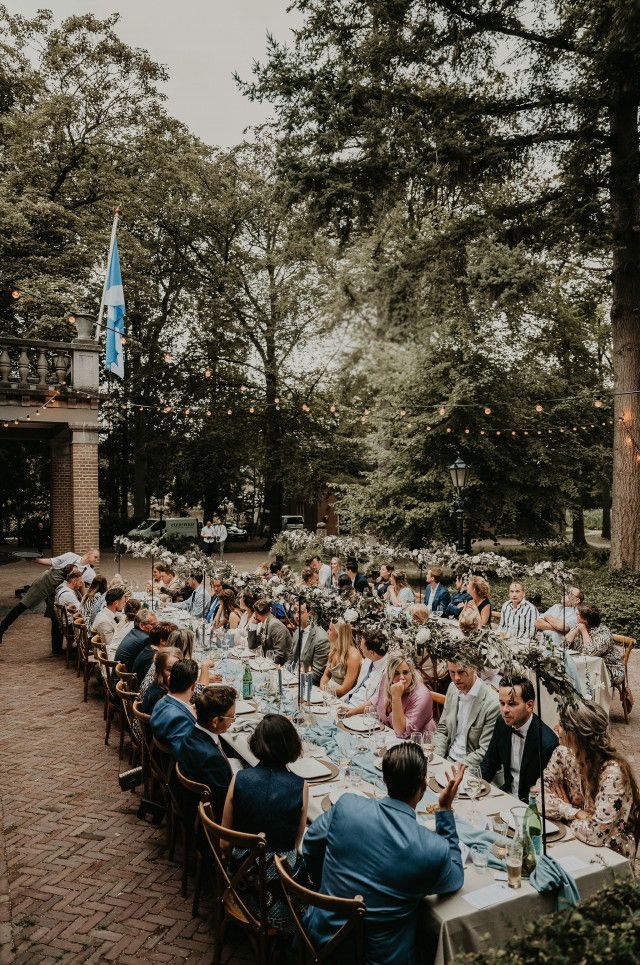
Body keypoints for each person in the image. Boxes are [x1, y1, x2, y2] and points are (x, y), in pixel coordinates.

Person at [302, 744, 465, 965]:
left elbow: (310, 843)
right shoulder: (431, 848)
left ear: (384, 779)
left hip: (321, 937)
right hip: (379, 959)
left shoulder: (347, 805)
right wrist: (444, 809)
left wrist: (327, 887)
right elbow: (455, 878)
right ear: (424, 786)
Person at [222, 714, 308, 931]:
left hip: (242, 882)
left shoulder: (239, 778)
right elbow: (296, 843)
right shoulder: (301, 786)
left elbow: (224, 843)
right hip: (281, 891)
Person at [540, 702, 640, 858]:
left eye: (562, 725)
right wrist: (575, 812)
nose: (555, 727)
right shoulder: (563, 754)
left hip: (610, 856)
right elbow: (539, 799)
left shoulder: (613, 774)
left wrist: (561, 812)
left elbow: (595, 834)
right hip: (573, 842)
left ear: (577, 735)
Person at [480, 675, 558, 802]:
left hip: (530, 805)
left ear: (529, 705)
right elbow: (489, 763)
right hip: (505, 795)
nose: (504, 710)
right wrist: (478, 788)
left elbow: (546, 792)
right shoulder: (502, 722)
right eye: (502, 703)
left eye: (511, 704)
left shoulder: (547, 743)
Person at [178, 685, 237, 816]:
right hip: (209, 818)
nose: (233, 721)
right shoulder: (212, 759)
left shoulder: (190, 734)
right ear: (215, 721)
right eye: (231, 717)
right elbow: (224, 803)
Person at [433, 661, 500, 765]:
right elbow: (443, 729)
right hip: (447, 759)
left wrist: (456, 768)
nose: (456, 678)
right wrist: (437, 757)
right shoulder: (452, 688)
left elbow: (484, 752)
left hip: (473, 768)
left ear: (473, 668)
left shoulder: (492, 704)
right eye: (452, 672)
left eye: (461, 672)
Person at [0, 561, 68, 649]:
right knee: (23, 605)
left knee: (55, 616)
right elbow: (52, 561)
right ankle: (2, 627)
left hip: (53, 586)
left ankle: (56, 648)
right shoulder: (73, 558)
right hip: (46, 582)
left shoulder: (82, 566)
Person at [369, 655, 435, 738]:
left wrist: (396, 697)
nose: (401, 677)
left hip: (417, 743)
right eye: (396, 673)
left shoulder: (421, 695)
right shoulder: (387, 678)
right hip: (389, 735)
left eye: (405, 672)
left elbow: (402, 732)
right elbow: (377, 699)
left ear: (412, 673)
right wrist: (353, 711)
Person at [564, 604, 624, 686]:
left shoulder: (603, 633)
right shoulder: (578, 626)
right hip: (584, 666)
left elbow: (590, 653)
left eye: (577, 614)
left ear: (585, 620)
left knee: (579, 678)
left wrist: (583, 631)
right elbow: (562, 646)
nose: (575, 615)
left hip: (608, 669)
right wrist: (575, 631)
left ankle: (586, 697)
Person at [149, 658, 198, 756]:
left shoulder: (160, 702)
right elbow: (187, 756)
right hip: (170, 765)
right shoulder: (181, 720)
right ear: (193, 686)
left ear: (169, 679)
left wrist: (190, 710)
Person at [341, 627, 389, 707]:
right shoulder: (368, 660)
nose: (360, 648)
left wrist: (353, 711)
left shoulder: (388, 671)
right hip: (348, 701)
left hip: (362, 711)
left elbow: (376, 702)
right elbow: (357, 687)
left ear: (372, 652)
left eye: (363, 648)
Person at [290, 603, 330, 684]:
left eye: (300, 613)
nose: (296, 616)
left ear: (310, 613)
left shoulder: (321, 638)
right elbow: (291, 658)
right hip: (291, 677)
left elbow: (316, 675)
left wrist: (294, 681)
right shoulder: (298, 630)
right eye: (294, 612)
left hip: (305, 684)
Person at [319, 622, 361, 698]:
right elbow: (326, 675)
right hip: (326, 692)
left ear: (339, 633)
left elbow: (344, 689)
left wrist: (326, 690)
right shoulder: (334, 649)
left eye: (330, 629)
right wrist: (322, 687)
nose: (327, 632)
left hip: (340, 697)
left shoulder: (354, 656)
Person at [247, 598, 292, 665]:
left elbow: (279, 654)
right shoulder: (265, 622)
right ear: (270, 610)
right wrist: (254, 625)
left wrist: (264, 665)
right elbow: (252, 645)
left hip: (281, 666)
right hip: (268, 661)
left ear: (256, 614)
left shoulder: (275, 625)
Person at [133, 621, 178, 686]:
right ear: (162, 641)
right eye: (173, 639)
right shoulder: (156, 657)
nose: (175, 643)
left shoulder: (149, 648)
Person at [140, 647, 182, 714]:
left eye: (178, 668)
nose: (176, 672)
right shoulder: (161, 696)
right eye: (170, 670)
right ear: (160, 671)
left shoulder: (157, 684)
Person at [35, 548, 100, 585]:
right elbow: (51, 561)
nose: (96, 560)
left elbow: (97, 585)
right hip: (50, 582)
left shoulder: (91, 573)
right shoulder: (70, 556)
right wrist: (36, 560)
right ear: (88, 554)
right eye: (95, 557)